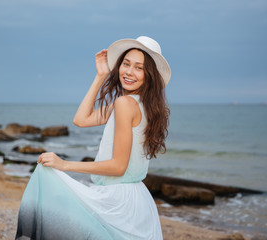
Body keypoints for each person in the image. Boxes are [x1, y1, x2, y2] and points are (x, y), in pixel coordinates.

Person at [15, 36, 171, 240]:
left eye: (139, 68)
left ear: (149, 75)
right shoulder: (143, 105)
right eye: (126, 64)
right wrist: (100, 76)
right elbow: (81, 119)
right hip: (137, 201)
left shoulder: (125, 104)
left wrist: (64, 165)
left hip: (117, 201)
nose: (129, 72)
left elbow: (118, 167)